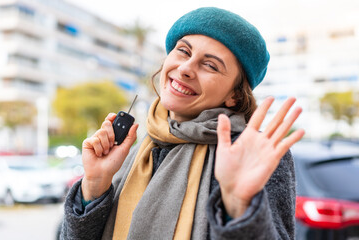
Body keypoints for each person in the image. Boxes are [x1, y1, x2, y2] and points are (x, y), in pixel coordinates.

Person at [60, 7, 305, 240]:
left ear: (235, 96)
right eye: (183, 51)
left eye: (210, 65)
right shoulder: (134, 149)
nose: (186, 68)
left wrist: (238, 206)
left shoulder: (250, 153)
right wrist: (94, 185)